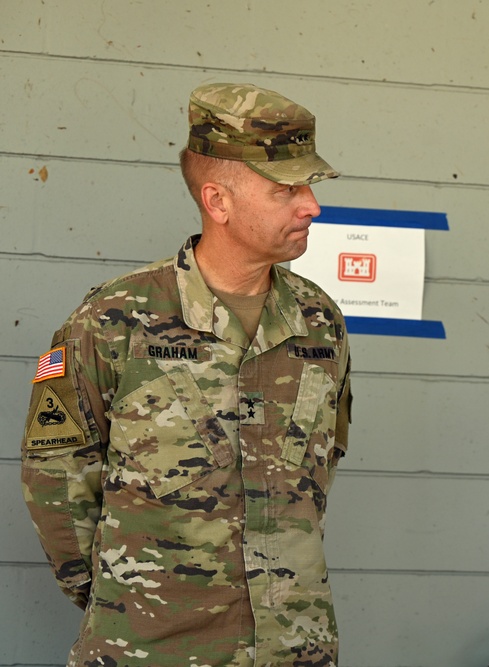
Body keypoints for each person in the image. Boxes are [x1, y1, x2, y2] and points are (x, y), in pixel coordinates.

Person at [21, 83, 353, 667]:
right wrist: (125, 602)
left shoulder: (318, 320)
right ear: (217, 201)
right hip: (151, 648)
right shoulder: (114, 318)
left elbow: (319, 470)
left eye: (308, 187)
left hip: (294, 646)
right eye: (286, 190)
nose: (311, 206)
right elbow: (58, 478)